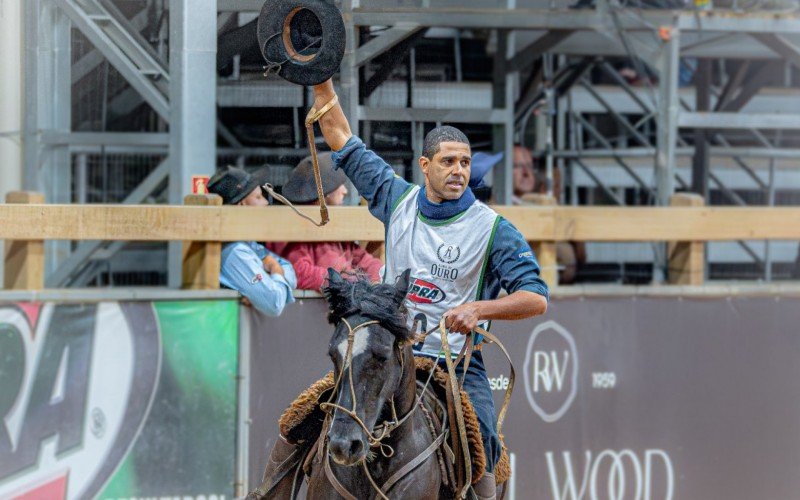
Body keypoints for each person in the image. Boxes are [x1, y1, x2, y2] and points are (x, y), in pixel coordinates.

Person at [261, 79, 549, 499]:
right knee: (299, 421)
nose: (459, 171)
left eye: (465, 163)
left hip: (455, 367)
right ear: (425, 165)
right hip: (389, 352)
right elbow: (343, 139)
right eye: (448, 161)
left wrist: (479, 310)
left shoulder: (493, 229)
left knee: (483, 443)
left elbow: (536, 297)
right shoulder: (397, 199)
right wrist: (323, 85)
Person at [268, 153, 383, 290]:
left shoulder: (335, 231)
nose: (345, 191)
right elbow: (299, 273)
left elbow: (363, 259)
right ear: (324, 194)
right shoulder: (298, 232)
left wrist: (379, 277)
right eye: (338, 185)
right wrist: (347, 281)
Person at [207, 165, 297, 316]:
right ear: (242, 205)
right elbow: (274, 303)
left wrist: (269, 281)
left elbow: (290, 273)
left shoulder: (247, 243)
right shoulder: (235, 252)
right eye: (258, 197)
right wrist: (275, 271)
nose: (266, 203)